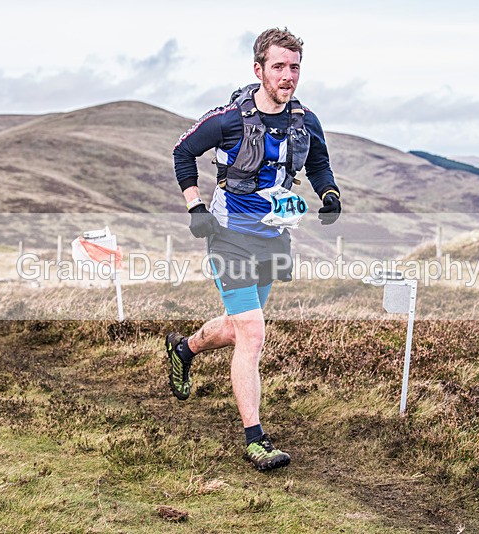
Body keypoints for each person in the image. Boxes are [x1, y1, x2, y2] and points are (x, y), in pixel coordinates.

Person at [167, 27, 341, 471]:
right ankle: (255, 439)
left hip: (272, 238)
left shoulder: (306, 121)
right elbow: (182, 153)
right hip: (228, 237)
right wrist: (196, 207)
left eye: (295, 67)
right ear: (258, 69)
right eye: (279, 66)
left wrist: (329, 194)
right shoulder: (227, 119)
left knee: (235, 328)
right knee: (254, 333)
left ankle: (184, 349)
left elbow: (319, 164)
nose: (288, 76)